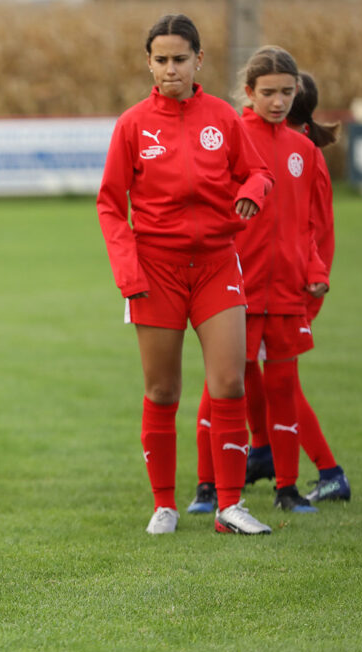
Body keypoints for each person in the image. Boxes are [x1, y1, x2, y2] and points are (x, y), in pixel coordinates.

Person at [97, 14, 274, 535]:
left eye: (180, 59)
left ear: (199, 60)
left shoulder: (223, 117)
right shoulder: (132, 125)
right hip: (155, 272)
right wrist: (128, 271)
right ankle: (164, 506)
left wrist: (249, 193)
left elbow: (259, 172)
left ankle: (229, 506)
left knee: (228, 380)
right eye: (161, 60)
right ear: (148, 63)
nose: (170, 69)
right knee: (163, 391)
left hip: (218, 264)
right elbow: (110, 205)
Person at [186, 48, 330, 515]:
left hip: (286, 292)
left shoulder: (304, 150)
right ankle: (207, 486)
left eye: (287, 92)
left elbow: (308, 226)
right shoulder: (230, 135)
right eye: (268, 92)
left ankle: (287, 488)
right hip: (234, 290)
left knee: (284, 391)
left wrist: (315, 272)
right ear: (248, 92)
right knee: (222, 387)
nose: (278, 101)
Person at [286, 72, 351, 502]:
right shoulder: (282, 149)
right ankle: (259, 454)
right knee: (245, 378)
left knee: (279, 383)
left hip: (297, 288)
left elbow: (313, 232)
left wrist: (313, 281)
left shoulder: (304, 156)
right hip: (282, 283)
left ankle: (329, 473)